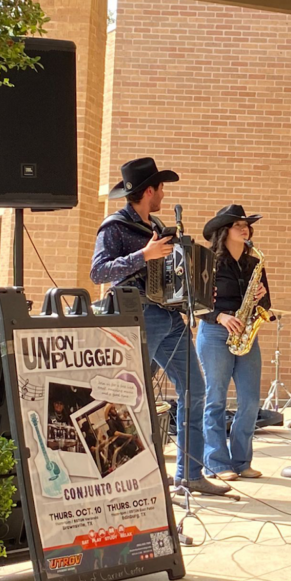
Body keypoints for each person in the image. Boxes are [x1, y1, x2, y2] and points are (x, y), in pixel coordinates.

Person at [90, 157, 229, 496]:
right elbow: (99, 272)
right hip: (137, 316)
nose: (164, 194)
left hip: (169, 316)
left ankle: (189, 475)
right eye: (161, 188)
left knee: (195, 389)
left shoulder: (157, 226)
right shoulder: (115, 227)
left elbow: (170, 275)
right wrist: (143, 256)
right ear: (148, 190)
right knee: (122, 397)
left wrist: (195, 288)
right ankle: (110, 478)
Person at [197, 205, 270, 480]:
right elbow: (196, 304)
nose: (245, 228)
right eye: (238, 224)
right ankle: (216, 462)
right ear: (225, 230)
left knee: (250, 401)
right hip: (216, 333)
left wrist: (262, 295)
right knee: (215, 399)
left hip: (247, 335)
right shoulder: (209, 262)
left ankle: (241, 461)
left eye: (247, 224)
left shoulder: (254, 264)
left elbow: (266, 304)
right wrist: (221, 317)